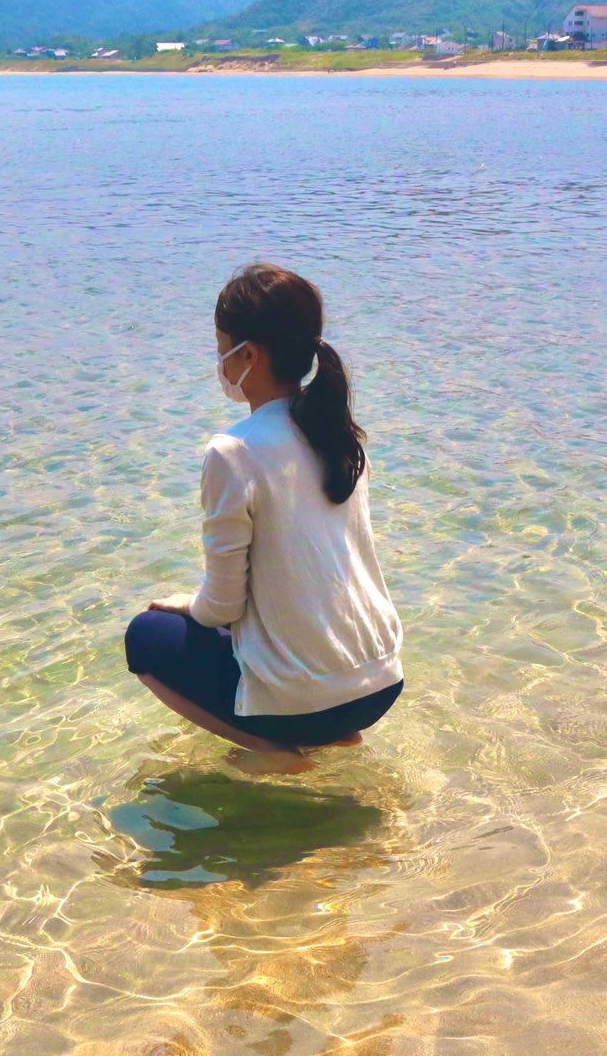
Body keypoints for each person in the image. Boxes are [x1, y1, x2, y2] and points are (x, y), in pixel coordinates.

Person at [125, 264, 404, 758]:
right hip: (381, 683)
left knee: (145, 637)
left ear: (248, 354)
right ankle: (341, 736)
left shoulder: (233, 451)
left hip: (308, 702)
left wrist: (185, 603)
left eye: (221, 350)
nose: (221, 364)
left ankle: (270, 751)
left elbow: (223, 607)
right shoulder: (341, 436)